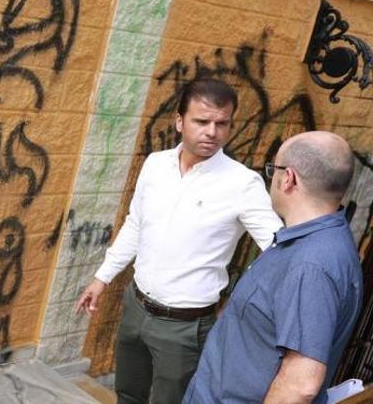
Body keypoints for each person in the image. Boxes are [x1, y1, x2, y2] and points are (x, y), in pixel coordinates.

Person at [74, 77, 283, 403]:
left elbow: (278, 250)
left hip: (185, 327)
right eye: (202, 121)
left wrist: (242, 299)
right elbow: (136, 225)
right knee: (128, 393)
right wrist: (102, 277)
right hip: (136, 305)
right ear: (179, 121)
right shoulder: (156, 165)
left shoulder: (243, 184)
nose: (212, 132)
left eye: (221, 123)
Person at [184, 131, 363, 403]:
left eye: (273, 170)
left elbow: (301, 384)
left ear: (288, 178)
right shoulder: (314, 242)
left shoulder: (310, 265)